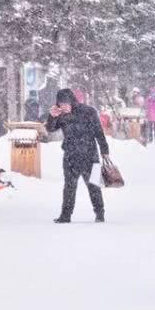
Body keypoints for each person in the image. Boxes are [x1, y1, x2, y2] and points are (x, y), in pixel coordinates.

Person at [46, 89, 109, 223]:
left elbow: (99, 131)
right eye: (61, 104)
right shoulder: (60, 114)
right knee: (69, 186)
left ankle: (99, 213)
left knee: (94, 186)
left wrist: (104, 150)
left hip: (90, 155)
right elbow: (50, 129)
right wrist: (52, 116)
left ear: (72, 101)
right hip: (70, 155)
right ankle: (65, 215)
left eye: (66, 103)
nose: (63, 106)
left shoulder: (88, 111)